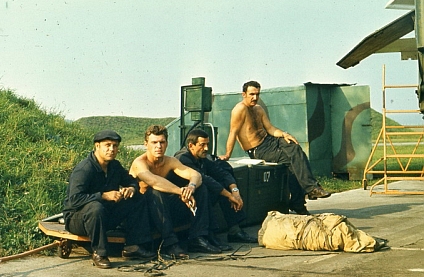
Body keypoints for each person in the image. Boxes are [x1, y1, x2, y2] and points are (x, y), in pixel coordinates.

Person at [219, 80, 331, 215]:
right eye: (252, 94)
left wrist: (284, 134)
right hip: (258, 149)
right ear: (244, 94)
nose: (255, 98)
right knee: (292, 162)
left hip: (270, 141)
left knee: (294, 147)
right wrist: (227, 155)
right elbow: (233, 132)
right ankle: (304, 196)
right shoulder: (239, 109)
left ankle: (308, 191)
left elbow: (270, 129)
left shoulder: (258, 109)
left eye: (257, 94)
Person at [62, 130, 155, 269]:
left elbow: (132, 181)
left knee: (136, 198)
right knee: (95, 207)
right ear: (97, 146)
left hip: (104, 216)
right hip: (77, 219)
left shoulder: (114, 166)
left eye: (115, 146)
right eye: (108, 145)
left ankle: (133, 247)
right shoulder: (84, 169)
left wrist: (131, 189)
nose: (112, 149)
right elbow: (74, 200)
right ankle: (100, 254)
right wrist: (104, 195)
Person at [129, 125, 221, 257]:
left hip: (164, 210)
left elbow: (196, 175)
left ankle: (198, 238)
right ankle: (170, 244)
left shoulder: (170, 161)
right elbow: (155, 182)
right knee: (155, 192)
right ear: (146, 144)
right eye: (154, 142)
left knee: (201, 189)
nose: (158, 146)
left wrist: (191, 188)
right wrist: (181, 192)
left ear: (166, 144)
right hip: (144, 213)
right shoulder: (140, 163)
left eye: (162, 142)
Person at [174, 129, 258, 247]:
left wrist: (235, 191)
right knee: (207, 188)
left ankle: (235, 230)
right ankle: (206, 236)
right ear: (191, 145)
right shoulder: (183, 158)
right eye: (202, 145)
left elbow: (221, 173)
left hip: (198, 200)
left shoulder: (201, 157)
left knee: (223, 184)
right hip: (182, 202)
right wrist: (229, 196)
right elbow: (203, 179)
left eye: (207, 144)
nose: (206, 148)